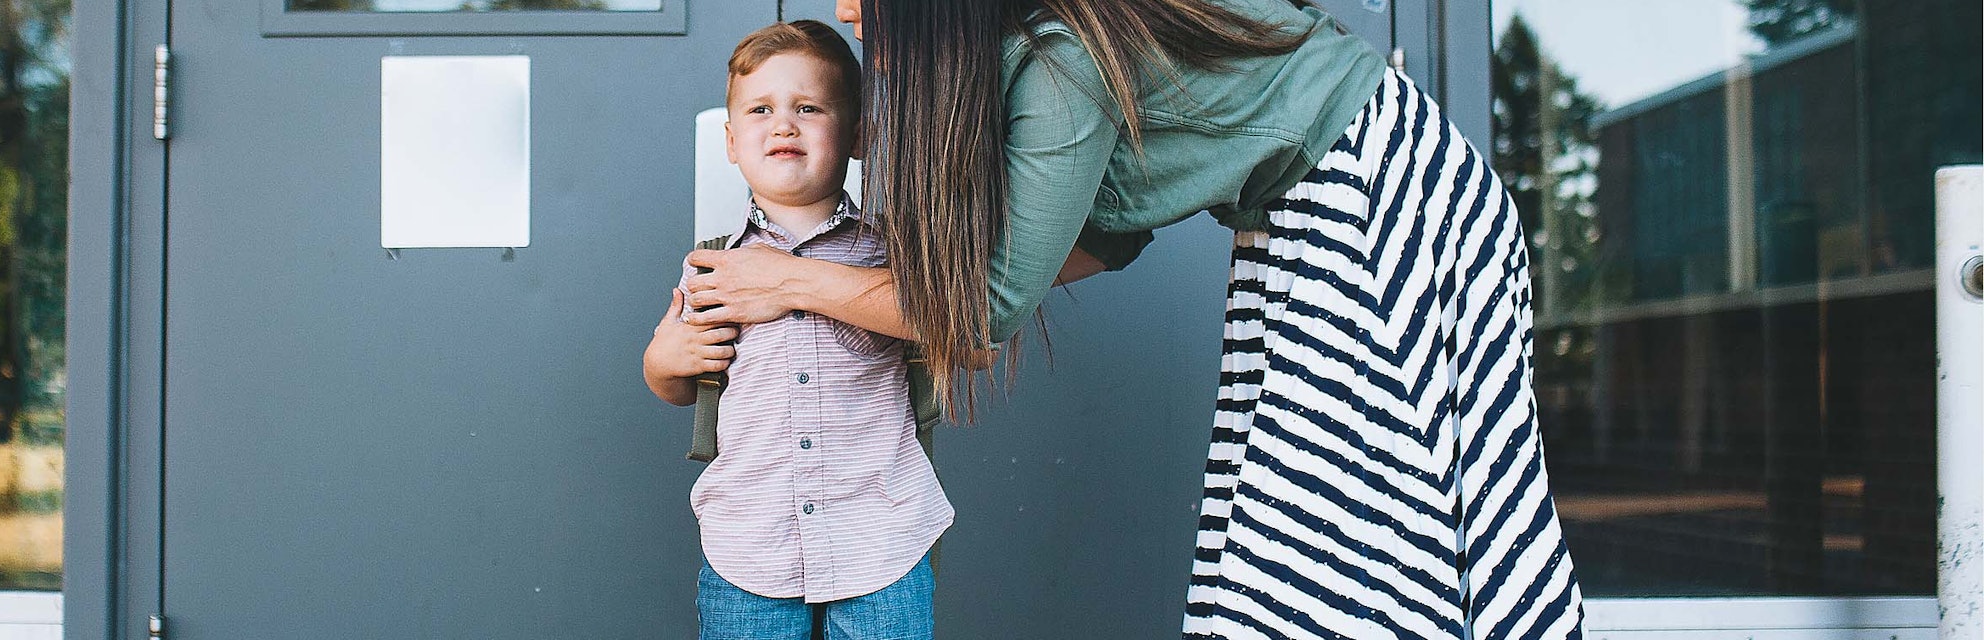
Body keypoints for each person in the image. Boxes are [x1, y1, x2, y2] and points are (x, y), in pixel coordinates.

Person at [680, 0, 1586, 637]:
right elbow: (1108, 239)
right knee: (1293, 540)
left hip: (1381, 199)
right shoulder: (1043, 54)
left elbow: (984, 311)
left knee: (1340, 548)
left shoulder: (1058, 56)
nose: (849, 8)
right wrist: (918, 293)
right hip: (1318, 207)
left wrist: (794, 286)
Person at [641, 20, 949, 640]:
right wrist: (663, 360)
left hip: (881, 541)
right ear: (731, 141)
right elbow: (682, 382)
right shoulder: (711, 263)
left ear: (857, 135)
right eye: (761, 109)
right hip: (750, 547)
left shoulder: (897, 255)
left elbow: (960, 334)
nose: (783, 124)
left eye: (808, 107)